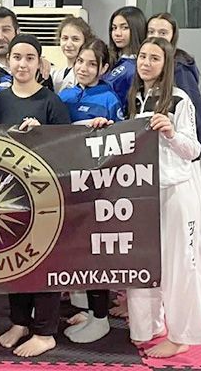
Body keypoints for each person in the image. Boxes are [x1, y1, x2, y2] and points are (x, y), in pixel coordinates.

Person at [124, 37, 201, 358]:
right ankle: (147, 327)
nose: (146, 63)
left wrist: (172, 132)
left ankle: (182, 335)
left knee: (178, 266)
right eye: (142, 57)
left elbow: (194, 149)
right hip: (142, 193)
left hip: (174, 190)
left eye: (154, 58)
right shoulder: (134, 98)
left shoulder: (179, 99)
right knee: (141, 263)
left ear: (166, 64)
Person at [0, 34, 71, 357]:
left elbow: (67, 147)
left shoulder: (51, 102)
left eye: (29, 58)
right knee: (15, 261)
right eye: (16, 57)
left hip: (45, 196)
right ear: (8, 61)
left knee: (46, 261)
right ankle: (20, 321)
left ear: (40, 63)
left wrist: (42, 135)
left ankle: (45, 331)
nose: (22, 64)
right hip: (8, 194)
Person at [59, 38, 122, 344]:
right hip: (68, 184)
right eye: (80, 62)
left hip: (98, 188)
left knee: (96, 251)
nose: (83, 68)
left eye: (92, 63)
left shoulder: (109, 98)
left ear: (104, 68)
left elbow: (123, 140)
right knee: (74, 250)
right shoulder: (65, 95)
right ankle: (84, 309)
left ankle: (100, 316)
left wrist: (106, 128)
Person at [147, 12, 201, 308]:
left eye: (163, 32)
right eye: (151, 30)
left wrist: (188, 151)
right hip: (152, 174)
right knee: (156, 247)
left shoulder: (179, 71)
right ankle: (157, 306)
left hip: (179, 167)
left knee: (183, 247)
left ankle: (190, 306)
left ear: (173, 36)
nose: (156, 35)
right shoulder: (142, 86)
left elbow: (195, 121)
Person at [102, 6, 147, 112]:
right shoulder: (109, 59)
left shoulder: (140, 65)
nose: (117, 33)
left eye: (124, 28)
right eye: (114, 28)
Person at [51, 15, 94, 93]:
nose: (68, 44)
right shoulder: (57, 74)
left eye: (75, 39)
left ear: (86, 41)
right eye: (65, 38)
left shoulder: (86, 74)